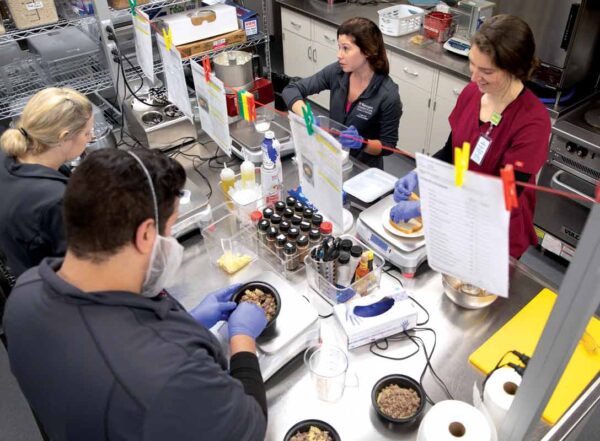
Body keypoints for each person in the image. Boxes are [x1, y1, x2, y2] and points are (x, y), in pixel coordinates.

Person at [4, 149, 268, 441]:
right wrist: (241, 340)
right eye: (169, 229)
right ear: (145, 235)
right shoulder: (172, 377)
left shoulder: (25, 292)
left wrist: (187, 325)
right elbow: (248, 426)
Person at [391, 15, 551, 259]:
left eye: (486, 71)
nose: (474, 77)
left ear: (514, 69)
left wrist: (428, 207)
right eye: (472, 64)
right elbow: (452, 152)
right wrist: (419, 173)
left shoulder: (532, 123)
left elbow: (504, 198)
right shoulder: (471, 94)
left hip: (495, 233)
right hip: (455, 211)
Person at [282, 17, 402, 169]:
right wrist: (305, 114)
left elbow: (388, 146)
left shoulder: (387, 94)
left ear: (367, 51)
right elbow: (292, 89)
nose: (339, 54)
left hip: (362, 168)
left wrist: (362, 143)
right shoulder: (337, 72)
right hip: (333, 158)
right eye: (339, 47)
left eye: (346, 48)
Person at [0, 87, 93, 277]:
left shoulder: (6, 154)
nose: (90, 138)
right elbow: (82, 270)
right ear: (64, 137)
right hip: (51, 286)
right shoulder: (55, 200)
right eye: (87, 133)